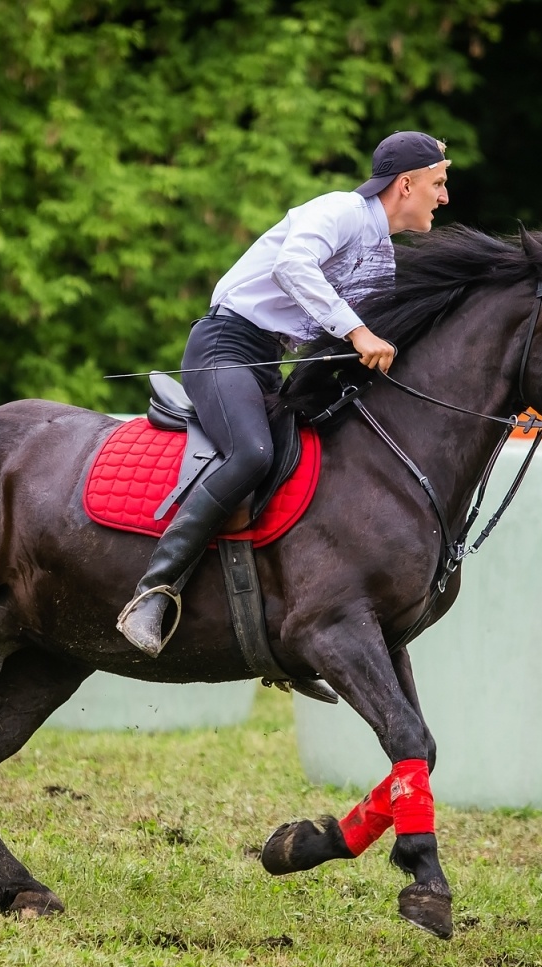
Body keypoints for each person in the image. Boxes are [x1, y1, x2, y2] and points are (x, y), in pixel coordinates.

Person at [117, 131, 452, 656]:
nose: (445, 197)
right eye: (439, 182)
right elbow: (292, 267)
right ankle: (152, 593)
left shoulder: (383, 260)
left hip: (271, 368)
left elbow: (374, 340)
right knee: (251, 454)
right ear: (406, 184)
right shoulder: (340, 210)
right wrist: (357, 332)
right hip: (225, 346)